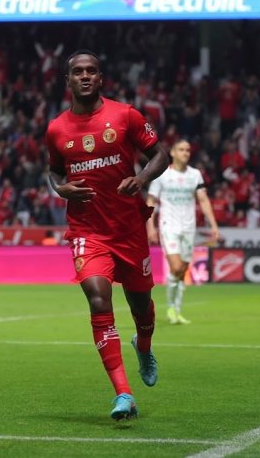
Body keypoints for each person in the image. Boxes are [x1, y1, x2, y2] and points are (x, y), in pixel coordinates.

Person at [45, 49, 169, 420]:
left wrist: (141, 179)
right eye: (78, 72)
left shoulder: (125, 115)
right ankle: (123, 394)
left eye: (91, 71)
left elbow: (160, 154)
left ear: (100, 78)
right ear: (68, 80)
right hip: (88, 231)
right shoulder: (56, 129)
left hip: (129, 229)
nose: (85, 76)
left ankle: (143, 345)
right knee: (99, 300)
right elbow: (54, 170)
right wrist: (60, 188)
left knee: (141, 307)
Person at [146, 139, 220, 325]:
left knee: (183, 270)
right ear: (172, 152)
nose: (186, 153)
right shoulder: (162, 175)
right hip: (168, 226)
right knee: (177, 267)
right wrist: (150, 226)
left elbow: (203, 200)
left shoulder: (195, 175)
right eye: (181, 149)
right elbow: (151, 201)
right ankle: (171, 307)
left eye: (187, 150)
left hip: (189, 227)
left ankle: (176, 310)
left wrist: (213, 225)